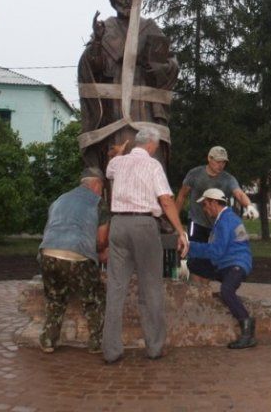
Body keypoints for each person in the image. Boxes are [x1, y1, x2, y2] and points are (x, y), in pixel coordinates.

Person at [101, 126, 189, 363]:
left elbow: (109, 169)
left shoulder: (118, 164)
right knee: (151, 287)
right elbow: (166, 200)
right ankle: (155, 347)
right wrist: (180, 231)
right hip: (143, 225)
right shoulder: (152, 165)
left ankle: (111, 350)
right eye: (157, 146)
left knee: (115, 287)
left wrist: (119, 152)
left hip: (118, 224)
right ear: (151, 145)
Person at [78, 0, 179, 173]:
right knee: (117, 162)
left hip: (145, 109)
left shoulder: (149, 27)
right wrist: (98, 42)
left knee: (151, 164)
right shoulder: (106, 29)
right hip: (116, 111)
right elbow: (93, 67)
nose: (126, 2)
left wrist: (157, 67)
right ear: (113, 3)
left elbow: (171, 63)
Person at [37, 169, 110, 354]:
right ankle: (95, 342)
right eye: (101, 187)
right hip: (78, 255)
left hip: (48, 253)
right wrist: (101, 252)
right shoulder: (98, 203)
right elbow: (101, 241)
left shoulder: (59, 200)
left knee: (55, 298)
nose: (101, 191)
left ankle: (48, 340)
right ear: (96, 184)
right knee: (94, 298)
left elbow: (49, 228)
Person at [185, 188, 256, 350]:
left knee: (227, 291)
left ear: (214, 203)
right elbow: (216, 252)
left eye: (206, 204)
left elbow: (216, 251)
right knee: (194, 264)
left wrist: (190, 246)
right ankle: (202, 295)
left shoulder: (226, 220)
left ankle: (247, 330)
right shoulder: (224, 219)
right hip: (227, 263)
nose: (205, 208)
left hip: (236, 264)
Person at [175, 146, 259, 243]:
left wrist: (249, 206)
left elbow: (239, 194)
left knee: (216, 256)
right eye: (218, 161)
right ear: (209, 158)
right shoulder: (195, 174)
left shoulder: (228, 179)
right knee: (197, 255)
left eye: (223, 162)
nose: (221, 165)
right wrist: (174, 221)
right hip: (197, 222)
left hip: (218, 225)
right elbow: (182, 196)